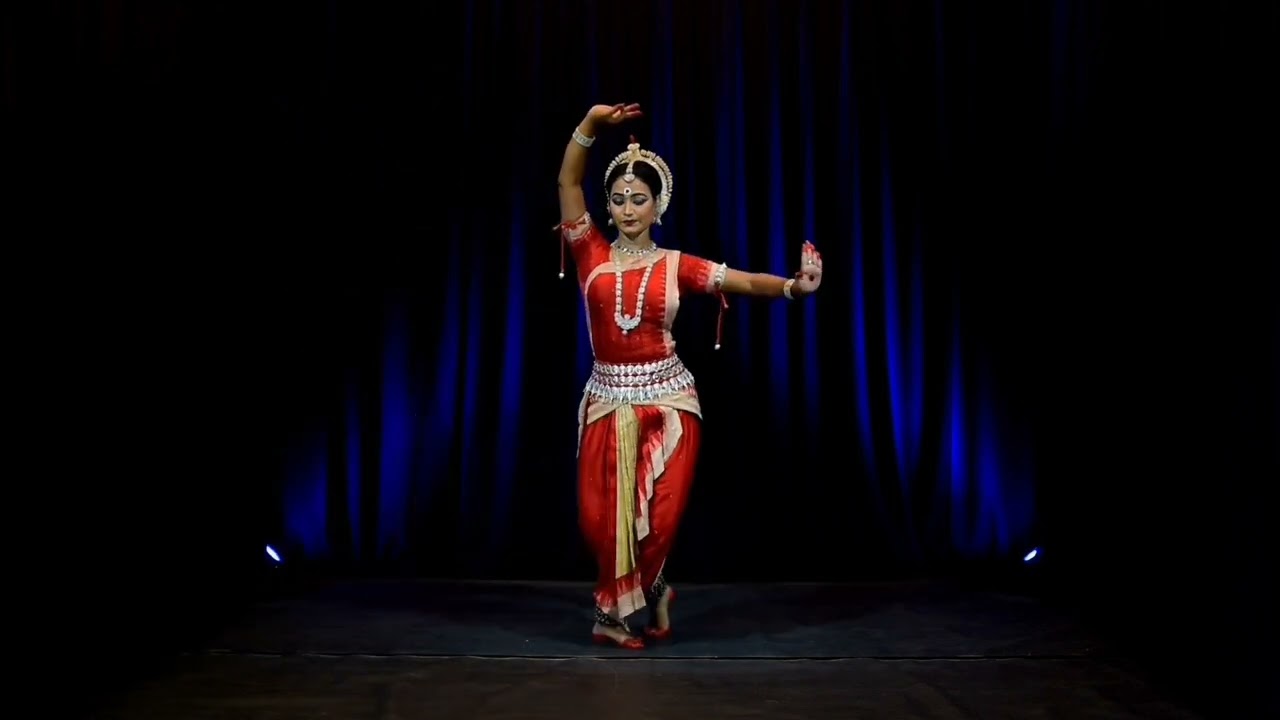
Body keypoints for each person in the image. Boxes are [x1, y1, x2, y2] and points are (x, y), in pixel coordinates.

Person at [554, 102, 824, 649]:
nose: (628, 208)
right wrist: (588, 124)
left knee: (659, 517)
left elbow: (740, 281)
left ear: (658, 206)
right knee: (598, 521)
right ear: (606, 206)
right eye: (619, 198)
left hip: (671, 402)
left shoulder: (677, 265)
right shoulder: (591, 254)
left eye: (639, 199)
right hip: (607, 400)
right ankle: (652, 591)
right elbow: (567, 178)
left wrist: (795, 287)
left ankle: (612, 617)